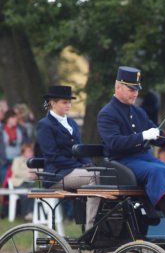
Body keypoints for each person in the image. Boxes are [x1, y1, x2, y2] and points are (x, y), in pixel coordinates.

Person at [97, 66, 165, 232]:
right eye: (130, 89)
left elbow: (155, 134)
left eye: (136, 89)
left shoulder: (139, 112)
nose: (135, 93)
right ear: (118, 86)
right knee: (155, 172)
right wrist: (142, 137)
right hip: (123, 161)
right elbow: (114, 143)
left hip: (145, 159)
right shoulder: (107, 113)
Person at [36, 85, 99, 228]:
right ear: (52, 102)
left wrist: (88, 163)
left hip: (74, 171)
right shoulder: (44, 125)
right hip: (56, 174)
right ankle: (92, 228)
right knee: (94, 177)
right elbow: (52, 156)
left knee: (103, 174)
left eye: (69, 102)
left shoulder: (71, 123)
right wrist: (79, 166)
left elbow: (80, 149)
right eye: (64, 102)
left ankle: (105, 226)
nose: (68, 105)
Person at [1, 108, 31, 182]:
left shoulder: (21, 129)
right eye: (13, 118)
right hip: (5, 162)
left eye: (16, 118)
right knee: (7, 181)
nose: (15, 120)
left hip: (20, 161)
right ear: (8, 119)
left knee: (20, 181)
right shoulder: (1, 131)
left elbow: (27, 144)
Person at [9, 142, 36, 219]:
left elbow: (40, 170)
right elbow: (16, 171)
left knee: (34, 192)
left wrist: (36, 174)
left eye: (32, 151)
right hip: (19, 183)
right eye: (29, 151)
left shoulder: (34, 161)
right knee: (25, 193)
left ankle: (30, 213)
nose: (31, 153)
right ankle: (26, 213)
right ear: (23, 152)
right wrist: (29, 174)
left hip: (31, 183)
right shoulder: (17, 160)